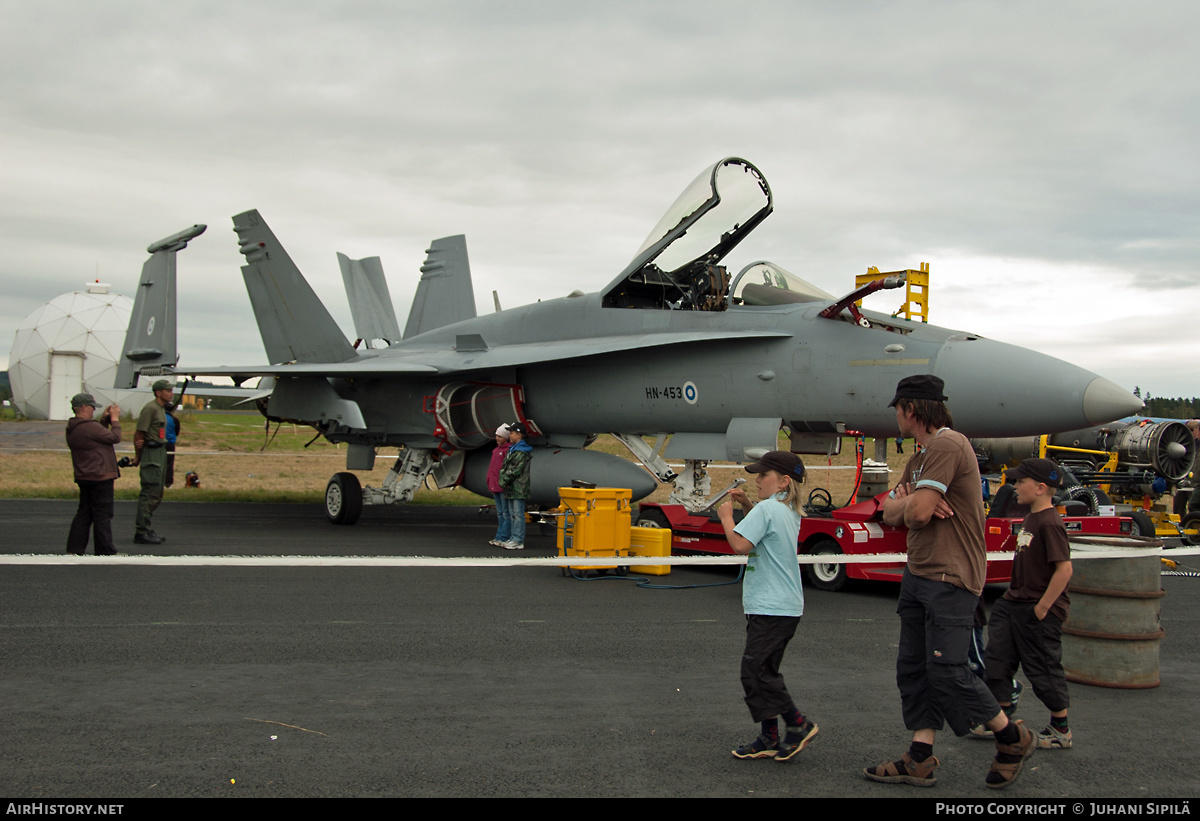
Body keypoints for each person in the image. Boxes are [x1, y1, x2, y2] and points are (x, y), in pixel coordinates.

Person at [865, 374, 1034, 790]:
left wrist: (909, 504)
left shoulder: (947, 444)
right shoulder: (920, 457)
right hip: (920, 573)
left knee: (948, 671)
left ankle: (1012, 738)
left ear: (911, 409)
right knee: (914, 668)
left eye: (898, 409)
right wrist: (907, 502)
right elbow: (889, 513)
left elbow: (916, 514)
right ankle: (920, 757)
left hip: (951, 576)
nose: (896, 416)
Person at [717, 451, 819, 762]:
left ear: (783, 481)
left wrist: (726, 516)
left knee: (756, 671)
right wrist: (748, 505)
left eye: (764, 475)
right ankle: (769, 736)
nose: (757, 479)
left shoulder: (768, 511)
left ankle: (797, 723)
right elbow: (765, 527)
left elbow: (740, 545)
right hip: (783, 605)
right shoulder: (785, 509)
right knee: (763, 670)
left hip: (771, 606)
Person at [982, 458, 1073, 750]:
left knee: (1042, 668)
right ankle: (1001, 722)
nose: (1015, 486)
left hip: (1036, 607)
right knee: (997, 659)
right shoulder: (1031, 517)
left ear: (1041, 487)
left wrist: (1042, 608)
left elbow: (1064, 570)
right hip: (1013, 602)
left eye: (1021, 482)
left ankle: (1060, 729)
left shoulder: (1050, 522)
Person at [65, 393, 121, 556]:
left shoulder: (74, 427)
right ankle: (105, 550)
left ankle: (74, 549)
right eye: (91, 408)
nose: (92, 411)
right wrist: (115, 420)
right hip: (100, 476)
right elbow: (114, 437)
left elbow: (98, 435)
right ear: (83, 408)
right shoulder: (89, 426)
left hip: (85, 476)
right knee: (103, 514)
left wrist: (103, 421)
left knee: (84, 513)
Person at [133, 379, 174, 545]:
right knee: (150, 492)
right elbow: (139, 434)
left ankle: (145, 527)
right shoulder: (150, 408)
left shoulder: (160, 409)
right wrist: (138, 456)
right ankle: (141, 531)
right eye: (168, 390)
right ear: (158, 392)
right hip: (151, 453)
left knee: (157, 493)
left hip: (160, 451)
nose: (171, 393)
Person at [498, 422, 532, 550]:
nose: (510, 435)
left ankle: (518, 539)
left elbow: (515, 470)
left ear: (519, 434)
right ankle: (513, 538)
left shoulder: (521, 452)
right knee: (513, 514)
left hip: (518, 487)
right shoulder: (513, 449)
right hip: (512, 487)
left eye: (512, 433)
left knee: (518, 514)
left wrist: (503, 480)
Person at [487, 424, 512, 547]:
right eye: (497, 436)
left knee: (505, 512)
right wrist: (490, 483)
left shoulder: (507, 451)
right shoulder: (496, 451)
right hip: (495, 486)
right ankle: (499, 536)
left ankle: (503, 536)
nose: (497, 438)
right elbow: (492, 469)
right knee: (500, 512)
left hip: (502, 486)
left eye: (500, 436)